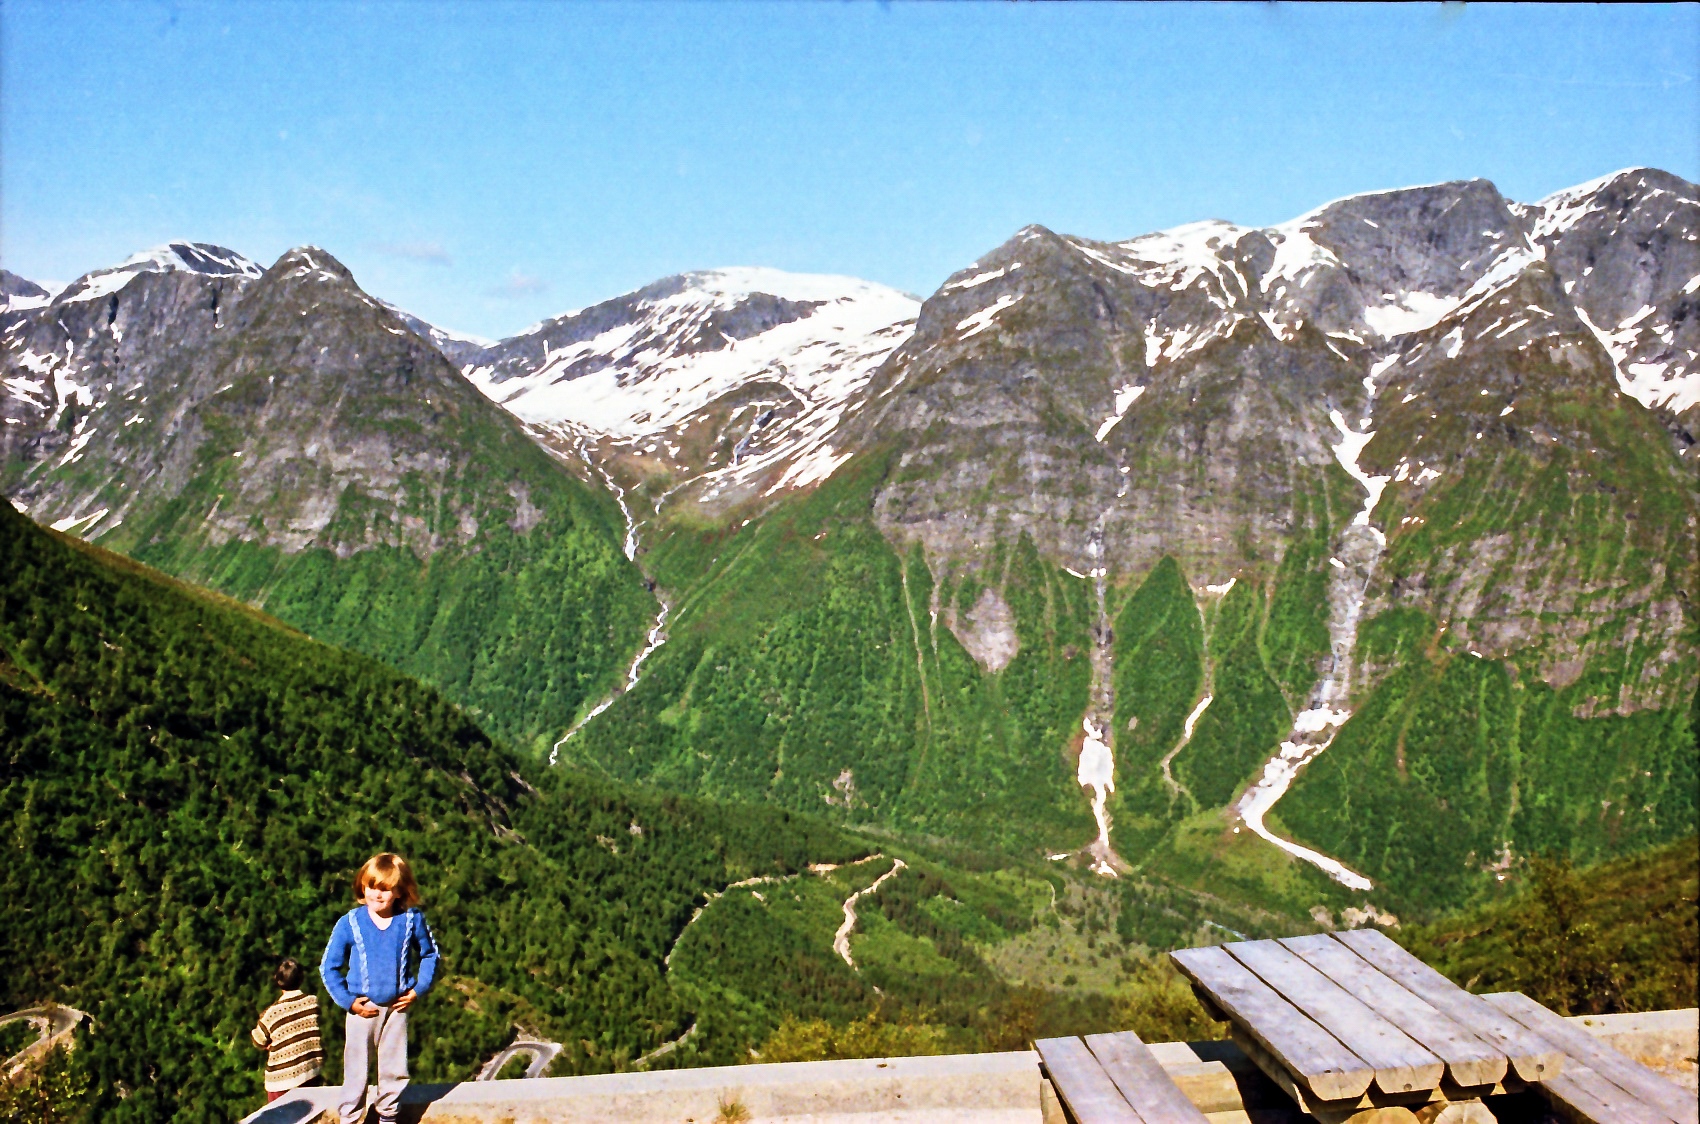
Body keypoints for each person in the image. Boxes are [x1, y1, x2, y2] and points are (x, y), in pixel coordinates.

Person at [319, 853, 440, 1124]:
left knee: (394, 1067)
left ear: (399, 891)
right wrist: (349, 1002)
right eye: (372, 886)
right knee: (356, 1069)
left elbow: (430, 954)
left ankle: (388, 1115)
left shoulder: (411, 919)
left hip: (397, 1007)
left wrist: (418, 989)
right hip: (362, 1010)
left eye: (385, 888)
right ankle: (350, 1118)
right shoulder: (350, 922)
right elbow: (328, 967)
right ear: (362, 886)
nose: (377, 894)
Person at [250, 957, 325, 1102]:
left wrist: (269, 1044)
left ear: (277, 979)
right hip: (310, 1071)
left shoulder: (272, 1013)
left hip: (281, 1080)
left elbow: (258, 1040)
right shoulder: (313, 1002)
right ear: (301, 978)